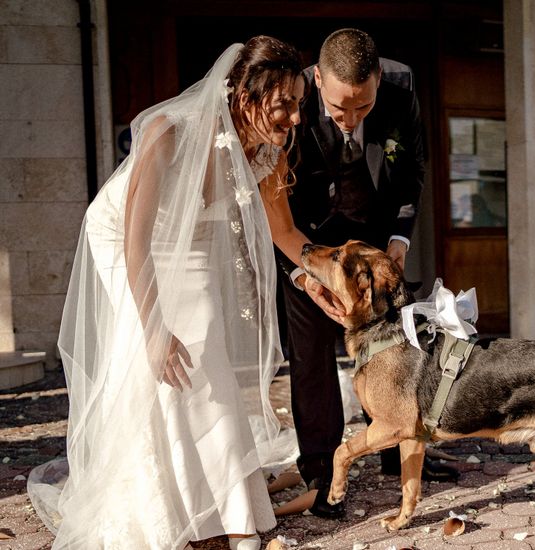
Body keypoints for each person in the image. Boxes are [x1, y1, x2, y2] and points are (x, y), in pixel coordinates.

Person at [26, 37, 336, 550]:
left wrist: (315, 280)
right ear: (246, 96)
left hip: (192, 242)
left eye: (299, 104)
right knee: (158, 356)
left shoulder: (267, 149)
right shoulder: (169, 132)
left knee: (204, 345)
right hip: (125, 238)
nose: (296, 117)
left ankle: (232, 511)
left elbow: (284, 232)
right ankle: (165, 505)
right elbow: (135, 238)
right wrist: (152, 327)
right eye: (285, 103)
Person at [274, 28, 456, 519]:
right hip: (306, 245)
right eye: (339, 109)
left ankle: (403, 453)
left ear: (378, 79)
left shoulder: (403, 88)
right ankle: (319, 472)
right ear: (316, 80)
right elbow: (275, 209)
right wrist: (303, 275)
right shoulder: (291, 105)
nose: (351, 119)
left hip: (375, 245)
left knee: (402, 347)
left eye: (363, 106)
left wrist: (398, 243)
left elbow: (410, 171)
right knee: (310, 359)